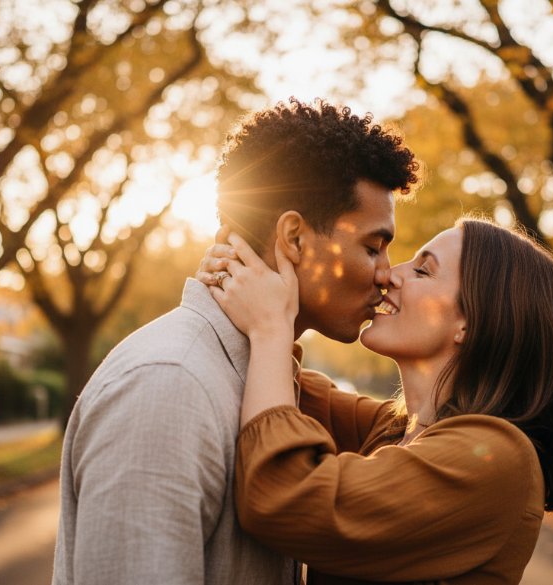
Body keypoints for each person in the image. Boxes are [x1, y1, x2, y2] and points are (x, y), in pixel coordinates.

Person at [51, 98, 418, 585]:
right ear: (295, 239)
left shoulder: (260, 380)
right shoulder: (169, 388)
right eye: (372, 247)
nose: (385, 274)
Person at [200, 217, 553, 584]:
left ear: (472, 321)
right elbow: (285, 391)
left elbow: (284, 497)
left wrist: (271, 327)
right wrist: (245, 281)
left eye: (422, 270)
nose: (388, 275)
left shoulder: (497, 459)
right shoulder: (398, 430)